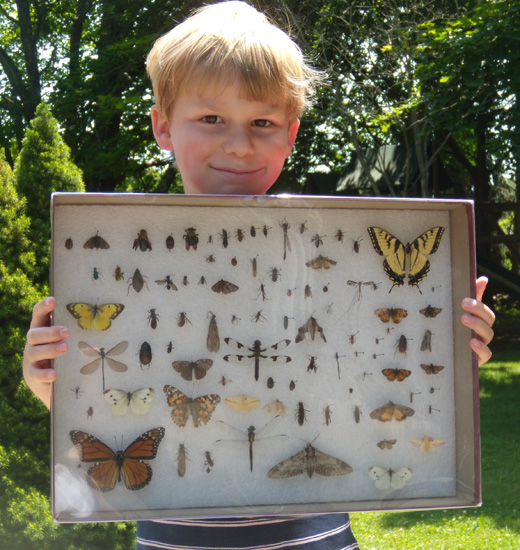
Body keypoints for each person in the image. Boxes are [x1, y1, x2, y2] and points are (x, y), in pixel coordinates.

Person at [23, 2, 495, 549]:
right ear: (162, 125)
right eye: (211, 118)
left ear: (290, 135)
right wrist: (56, 388)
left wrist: (452, 361)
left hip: (313, 537)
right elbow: (123, 412)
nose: (240, 144)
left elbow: (367, 384)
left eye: (262, 123)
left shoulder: (336, 256)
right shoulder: (125, 255)